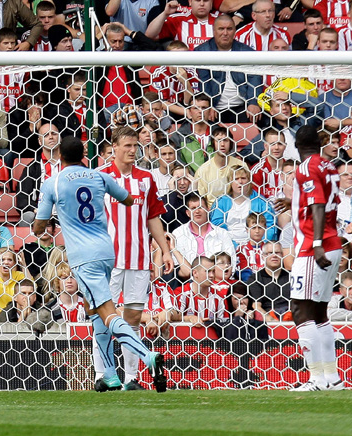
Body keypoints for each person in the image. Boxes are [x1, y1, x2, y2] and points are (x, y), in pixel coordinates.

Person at [33, 136, 167, 393]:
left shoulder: (54, 182)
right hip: (108, 251)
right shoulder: (100, 177)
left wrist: (54, 218)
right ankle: (111, 376)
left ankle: (147, 356)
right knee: (93, 310)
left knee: (107, 311)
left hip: (84, 257)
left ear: (59, 155)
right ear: (84, 154)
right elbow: (128, 199)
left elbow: (39, 227)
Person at [97, 126, 173, 390]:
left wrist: (164, 250)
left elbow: (153, 216)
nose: (132, 151)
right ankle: (103, 374)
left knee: (132, 319)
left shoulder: (146, 178)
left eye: (135, 146)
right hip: (108, 260)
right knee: (104, 318)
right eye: (127, 146)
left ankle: (131, 378)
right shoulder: (101, 177)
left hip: (139, 259)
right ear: (114, 147)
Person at [279, 125, 344, 391]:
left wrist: (315, 244)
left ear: (296, 146)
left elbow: (318, 203)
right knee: (319, 312)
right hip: (333, 242)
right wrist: (293, 202)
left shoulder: (305, 167)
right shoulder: (329, 166)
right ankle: (333, 378)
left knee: (299, 309)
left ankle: (316, 379)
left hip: (313, 247)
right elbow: (324, 199)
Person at [194, 15, 263, 124]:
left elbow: (254, 77)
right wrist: (209, 105)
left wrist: (253, 102)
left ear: (235, 31)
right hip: (214, 108)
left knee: (261, 119)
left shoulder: (246, 51)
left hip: (242, 106)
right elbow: (203, 82)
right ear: (214, 31)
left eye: (229, 29)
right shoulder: (202, 51)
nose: (225, 33)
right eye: (221, 29)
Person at [173, 193, 236, 278]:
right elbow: (177, 265)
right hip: (189, 282)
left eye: (200, 207)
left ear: (208, 209)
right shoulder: (178, 233)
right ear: (188, 213)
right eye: (193, 208)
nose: (197, 211)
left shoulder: (221, 233)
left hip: (217, 281)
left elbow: (231, 262)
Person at [210, 165, 277, 245]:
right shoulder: (221, 202)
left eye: (243, 178)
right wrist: (233, 245)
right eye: (236, 179)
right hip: (227, 245)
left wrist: (259, 244)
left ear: (249, 181)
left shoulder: (260, 202)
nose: (240, 182)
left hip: (255, 245)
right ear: (230, 182)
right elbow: (216, 226)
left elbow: (270, 226)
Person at [17, 121, 61, 225]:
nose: (51, 137)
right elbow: (22, 199)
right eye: (46, 135)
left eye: (54, 134)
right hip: (40, 217)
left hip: (67, 214)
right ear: (40, 142)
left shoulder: (71, 165)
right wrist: (37, 210)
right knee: (25, 218)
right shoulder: (32, 168)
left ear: (60, 138)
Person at [193, 126, 248, 207]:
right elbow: (201, 200)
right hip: (213, 213)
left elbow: (248, 192)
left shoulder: (241, 166)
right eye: (218, 140)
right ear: (213, 143)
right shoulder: (203, 170)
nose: (222, 144)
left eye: (225, 140)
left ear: (231, 143)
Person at [145, 0, 219, 50]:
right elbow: (150, 35)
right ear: (190, 2)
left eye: (206, 0)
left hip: (213, 70)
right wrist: (165, 13)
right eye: (197, 0)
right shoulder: (178, 20)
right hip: (184, 70)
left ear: (211, 3)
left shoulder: (221, 21)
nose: (202, 4)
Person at [246, 240, 291, 322]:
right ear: (263, 256)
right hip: (267, 321)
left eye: (277, 253)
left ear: (282, 255)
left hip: (291, 319)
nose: (274, 255)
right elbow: (256, 306)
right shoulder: (255, 278)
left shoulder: (292, 276)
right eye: (270, 253)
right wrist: (274, 323)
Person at [236, 213, 267, 281]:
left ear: (265, 228)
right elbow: (243, 272)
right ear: (247, 229)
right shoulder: (242, 249)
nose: (257, 231)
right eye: (253, 228)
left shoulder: (268, 248)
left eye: (260, 228)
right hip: (249, 283)